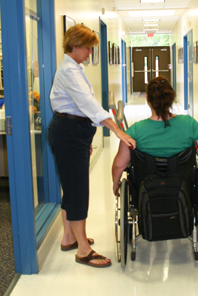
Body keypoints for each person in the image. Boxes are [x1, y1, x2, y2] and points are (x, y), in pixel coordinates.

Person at [48, 24, 135, 268]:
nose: (90, 53)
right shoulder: (69, 71)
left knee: (71, 186)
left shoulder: (75, 66)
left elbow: (87, 107)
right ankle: (83, 250)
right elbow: (89, 105)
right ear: (75, 46)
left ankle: (69, 237)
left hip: (73, 132)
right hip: (68, 133)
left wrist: (85, 138)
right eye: (88, 48)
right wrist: (118, 130)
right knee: (77, 191)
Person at [112, 75, 198, 195]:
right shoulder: (190, 125)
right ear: (171, 98)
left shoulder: (134, 132)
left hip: (146, 191)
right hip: (183, 190)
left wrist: (115, 183)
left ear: (147, 98)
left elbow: (119, 165)